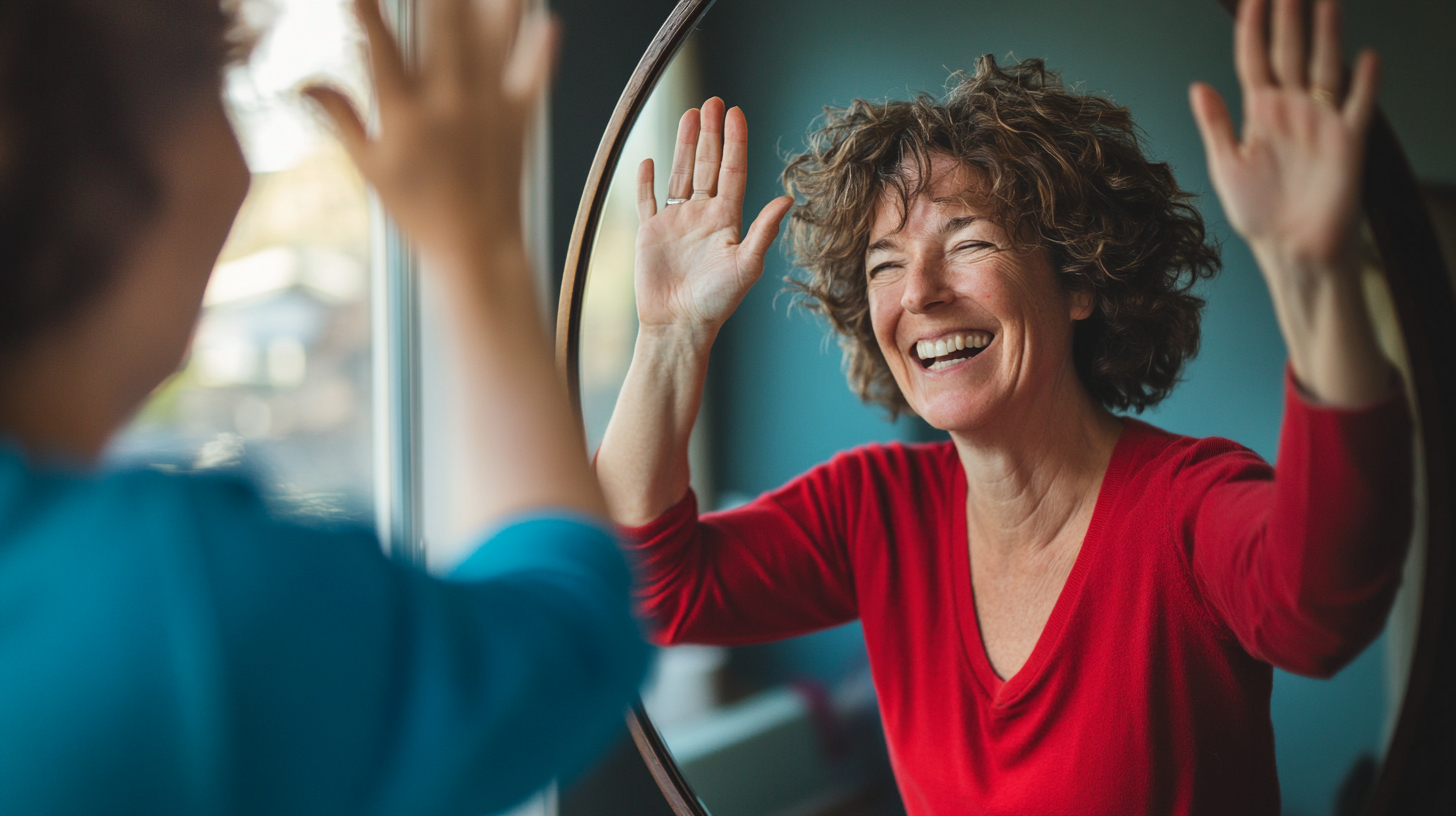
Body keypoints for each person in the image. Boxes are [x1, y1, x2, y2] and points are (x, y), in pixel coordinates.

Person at [594, 0, 1410, 813]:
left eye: (968, 242)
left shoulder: (1184, 509)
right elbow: (648, 591)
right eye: (885, 264)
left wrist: (1319, 279)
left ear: (1079, 277)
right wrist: (670, 336)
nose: (920, 292)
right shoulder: (876, 512)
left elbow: (1322, 608)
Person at [0, 0, 648, 813]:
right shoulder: (173, 611)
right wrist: (474, 240)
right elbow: (567, 634)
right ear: (111, 166)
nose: (246, 169)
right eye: (225, 84)